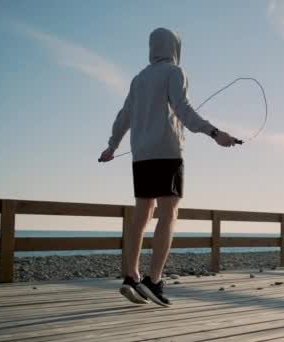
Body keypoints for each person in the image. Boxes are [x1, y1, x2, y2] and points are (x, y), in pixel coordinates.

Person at [99, 27, 238, 307]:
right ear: (175, 47)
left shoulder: (138, 79)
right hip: (166, 152)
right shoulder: (175, 72)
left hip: (141, 156)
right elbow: (183, 109)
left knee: (141, 215)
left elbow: (124, 115)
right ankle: (154, 280)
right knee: (169, 214)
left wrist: (112, 147)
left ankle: (130, 276)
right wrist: (215, 133)